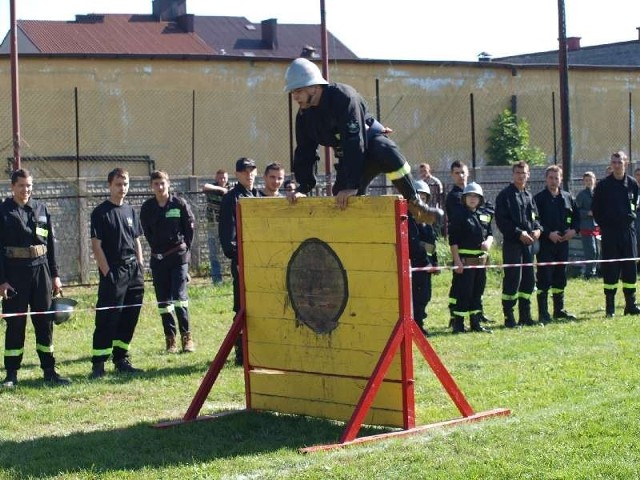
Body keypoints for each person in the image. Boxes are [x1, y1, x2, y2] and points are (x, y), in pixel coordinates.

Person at [284, 58, 442, 224]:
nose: (295, 97)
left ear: (314, 87)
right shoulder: (304, 116)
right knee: (341, 201)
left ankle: (415, 204)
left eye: (298, 91)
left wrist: (352, 185)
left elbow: (354, 140)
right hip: (349, 159)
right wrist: (303, 188)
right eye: (292, 92)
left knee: (385, 148)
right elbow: (304, 152)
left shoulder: (344, 98)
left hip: (369, 148)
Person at [0, 169, 70, 388]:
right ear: (12, 187)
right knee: (15, 324)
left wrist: (55, 275)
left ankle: (49, 370)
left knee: (45, 322)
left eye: (29, 185)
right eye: (21, 185)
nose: (26, 189)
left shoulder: (41, 209)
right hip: (14, 275)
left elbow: (50, 246)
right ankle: (11, 374)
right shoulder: (3, 212)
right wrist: (1, 281)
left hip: (41, 273)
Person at [89, 168, 145, 378]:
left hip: (133, 272)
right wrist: (107, 272)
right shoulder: (100, 213)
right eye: (118, 184)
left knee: (130, 316)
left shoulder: (130, 210)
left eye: (126, 184)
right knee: (107, 318)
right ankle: (99, 363)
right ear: (110, 185)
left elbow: (137, 240)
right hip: (114, 271)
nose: (123, 188)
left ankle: (121, 358)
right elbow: (97, 246)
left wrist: (140, 266)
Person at [140, 171, 196, 354]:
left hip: (178, 257)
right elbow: (147, 233)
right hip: (158, 259)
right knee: (163, 301)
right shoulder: (147, 207)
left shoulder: (179, 204)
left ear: (168, 184)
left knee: (180, 298)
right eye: (156, 184)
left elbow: (189, 229)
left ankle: (187, 338)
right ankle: (170, 340)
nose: (160, 187)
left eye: (162, 183)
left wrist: (185, 252)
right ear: (151, 186)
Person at [219, 157, 259, 365]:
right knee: (241, 306)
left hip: (259, 260)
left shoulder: (258, 196)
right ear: (237, 174)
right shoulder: (231, 199)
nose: (249, 174)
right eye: (244, 171)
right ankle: (241, 353)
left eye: (252, 170)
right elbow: (228, 235)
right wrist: (237, 259)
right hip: (242, 261)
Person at [592, 151, 640, 317]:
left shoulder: (633, 184)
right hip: (610, 234)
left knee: (630, 268)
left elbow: (635, 205)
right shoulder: (603, 186)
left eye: (620, 162)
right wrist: (607, 225)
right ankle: (610, 308)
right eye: (614, 162)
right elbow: (596, 210)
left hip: (628, 233)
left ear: (626, 163)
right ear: (611, 164)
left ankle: (630, 305)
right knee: (611, 268)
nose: (617, 165)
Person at [495, 161, 542, 328]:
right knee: (513, 279)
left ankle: (525, 315)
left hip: (529, 245)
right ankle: (509, 317)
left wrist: (537, 230)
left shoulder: (529, 196)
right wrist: (518, 233)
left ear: (528, 175)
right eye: (518, 173)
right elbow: (502, 221)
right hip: (513, 244)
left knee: (529, 280)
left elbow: (535, 218)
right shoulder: (505, 196)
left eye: (524, 173)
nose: (521, 176)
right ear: (513, 174)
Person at [533, 165, 579, 324]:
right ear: (546, 179)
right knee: (544, 277)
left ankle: (559, 310)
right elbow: (535, 221)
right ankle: (543, 313)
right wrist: (547, 233)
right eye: (551, 178)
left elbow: (576, 218)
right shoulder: (538, 199)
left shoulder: (568, 197)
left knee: (560, 277)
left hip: (563, 244)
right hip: (546, 244)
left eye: (556, 178)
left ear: (560, 179)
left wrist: (574, 231)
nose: (553, 181)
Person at [448, 182, 493, 334]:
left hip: (481, 262)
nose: (473, 199)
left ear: (480, 199)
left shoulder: (484, 215)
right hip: (465, 262)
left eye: (476, 196)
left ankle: (475, 323)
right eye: (470, 196)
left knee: (477, 293)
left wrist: (488, 242)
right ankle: (458, 324)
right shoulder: (459, 215)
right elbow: (453, 241)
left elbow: (490, 233)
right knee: (463, 294)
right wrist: (457, 261)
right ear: (464, 198)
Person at [409, 181, 438, 336]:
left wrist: (435, 262)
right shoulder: (408, 219)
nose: (421, 200)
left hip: (426, 267)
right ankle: (415, 325)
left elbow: (431, 244)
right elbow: (414, 244)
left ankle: (420, 322)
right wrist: (426, 263)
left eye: (424, 197)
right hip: (414, 265)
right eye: (418, 197)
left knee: (425, 296)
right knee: (415, 297)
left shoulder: (427, 220)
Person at [202, 170, 230, 284]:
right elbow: (204, 187)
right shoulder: (212, 188)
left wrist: (226, 191)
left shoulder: (232, 189)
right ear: (216, 178)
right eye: (220, 178)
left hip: (227, 225)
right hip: (213, 225)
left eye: (224, 178)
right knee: (214, 254)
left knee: (229, 252)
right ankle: (217, 280)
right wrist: (220, 189)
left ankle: (231, 277)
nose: (222, 180)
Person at [575, 171, 600, 279]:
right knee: (591, 250)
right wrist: (587, 213)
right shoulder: (581, 195)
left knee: (597, 252)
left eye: (590, 180)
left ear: (595, 180)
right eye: (586, 180)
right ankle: (588, 273)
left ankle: (594, 271)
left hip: (597, 226)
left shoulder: (598, 193)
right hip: (586, 226)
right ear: (583, 182)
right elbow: (575, 211)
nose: (589, 182)